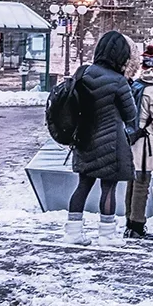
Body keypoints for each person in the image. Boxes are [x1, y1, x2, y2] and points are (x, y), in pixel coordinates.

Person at [65, 31, 139, 246]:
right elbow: (130, 116)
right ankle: (106, 236)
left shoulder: (82, 72)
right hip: (111, 143)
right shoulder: (118, 81)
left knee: (82, 186)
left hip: (84, 139)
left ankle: (73, 233)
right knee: (108, 189)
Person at [126, 45, 153, 240]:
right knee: (142, 183)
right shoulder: (152, 90)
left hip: (134, 139)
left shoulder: (137, 85)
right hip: (146, 144)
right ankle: (137, 225)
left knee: (133, 181)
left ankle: (130, 223)